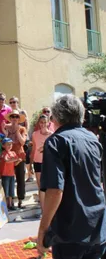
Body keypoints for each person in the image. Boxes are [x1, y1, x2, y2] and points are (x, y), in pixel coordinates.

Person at [37, 95, 106, 258]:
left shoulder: (55, 141)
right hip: (97, 225)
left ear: (56, 116)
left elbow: (55, 191)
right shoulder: (93, 139)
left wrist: (43, 229)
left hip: (71, 231)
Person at [2, 109, 27, 208]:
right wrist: (4, 131)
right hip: (9, 157)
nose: (14, 119)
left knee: (20, 178)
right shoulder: (6, 127)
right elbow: (2, 141)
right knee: (8, 179)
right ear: (10, 118)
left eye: (17, 117)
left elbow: (23, 142)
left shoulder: (22, 129)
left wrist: (17, 132)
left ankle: (21, 200)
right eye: (12, 116)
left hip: (19, 156)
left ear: (19, 119)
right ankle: (9, 202)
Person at [30, 114, 53, 211]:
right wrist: (30, 164)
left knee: (49, 185)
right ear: (39, 123)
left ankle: (49, 208)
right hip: (37, 161)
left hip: (48, 162)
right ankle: (43, 210)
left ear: (48, 123)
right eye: (41, 122)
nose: (43, 124)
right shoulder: (35, 134)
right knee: (41, 186)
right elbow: (34, 149)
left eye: (44, 122)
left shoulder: (52, 134)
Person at [9, 96, 33, 182]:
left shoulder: (22, 112)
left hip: (23, 136)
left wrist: (25, 135)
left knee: (26, 158)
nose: (12, 104)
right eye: (11, 102)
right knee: (15, 157)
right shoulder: (10, 113)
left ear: (17, 103)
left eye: (14, 102)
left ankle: (30, 175)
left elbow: (27, 124)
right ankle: (16, 176)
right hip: (14, 139)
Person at [0, 138, 21, 211]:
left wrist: (18, 161)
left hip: (11, 174)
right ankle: (6, 205)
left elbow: (15, 163)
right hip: (5, 174)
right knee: (6, 191)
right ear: (3, 146)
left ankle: (11, 204)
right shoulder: (3, 153)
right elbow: (7, 160)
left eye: (11, 144)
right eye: (8, 144)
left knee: (11, 190)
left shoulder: (13, 153)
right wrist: (15, 159)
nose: (10, 146)